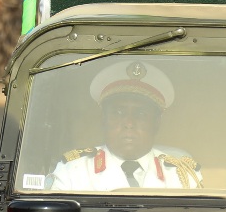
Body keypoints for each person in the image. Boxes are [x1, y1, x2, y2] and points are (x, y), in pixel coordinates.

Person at [47, 61, 203, 191]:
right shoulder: (72, 172)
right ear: (104, 119)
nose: (129, 123)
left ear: (157, 122)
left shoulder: (181, 175)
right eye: (118, 112)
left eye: (141, 114)